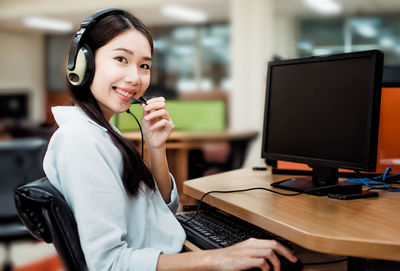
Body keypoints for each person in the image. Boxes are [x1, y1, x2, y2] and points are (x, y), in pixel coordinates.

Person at [43, 8, 298, 271]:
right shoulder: (80, 139)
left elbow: (163, 209)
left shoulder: (102, 131)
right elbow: (109, 263)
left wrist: (156, 148)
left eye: (144, 66)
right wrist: (220, 257)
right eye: (121, 59)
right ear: (83, 62)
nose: (135, 77)